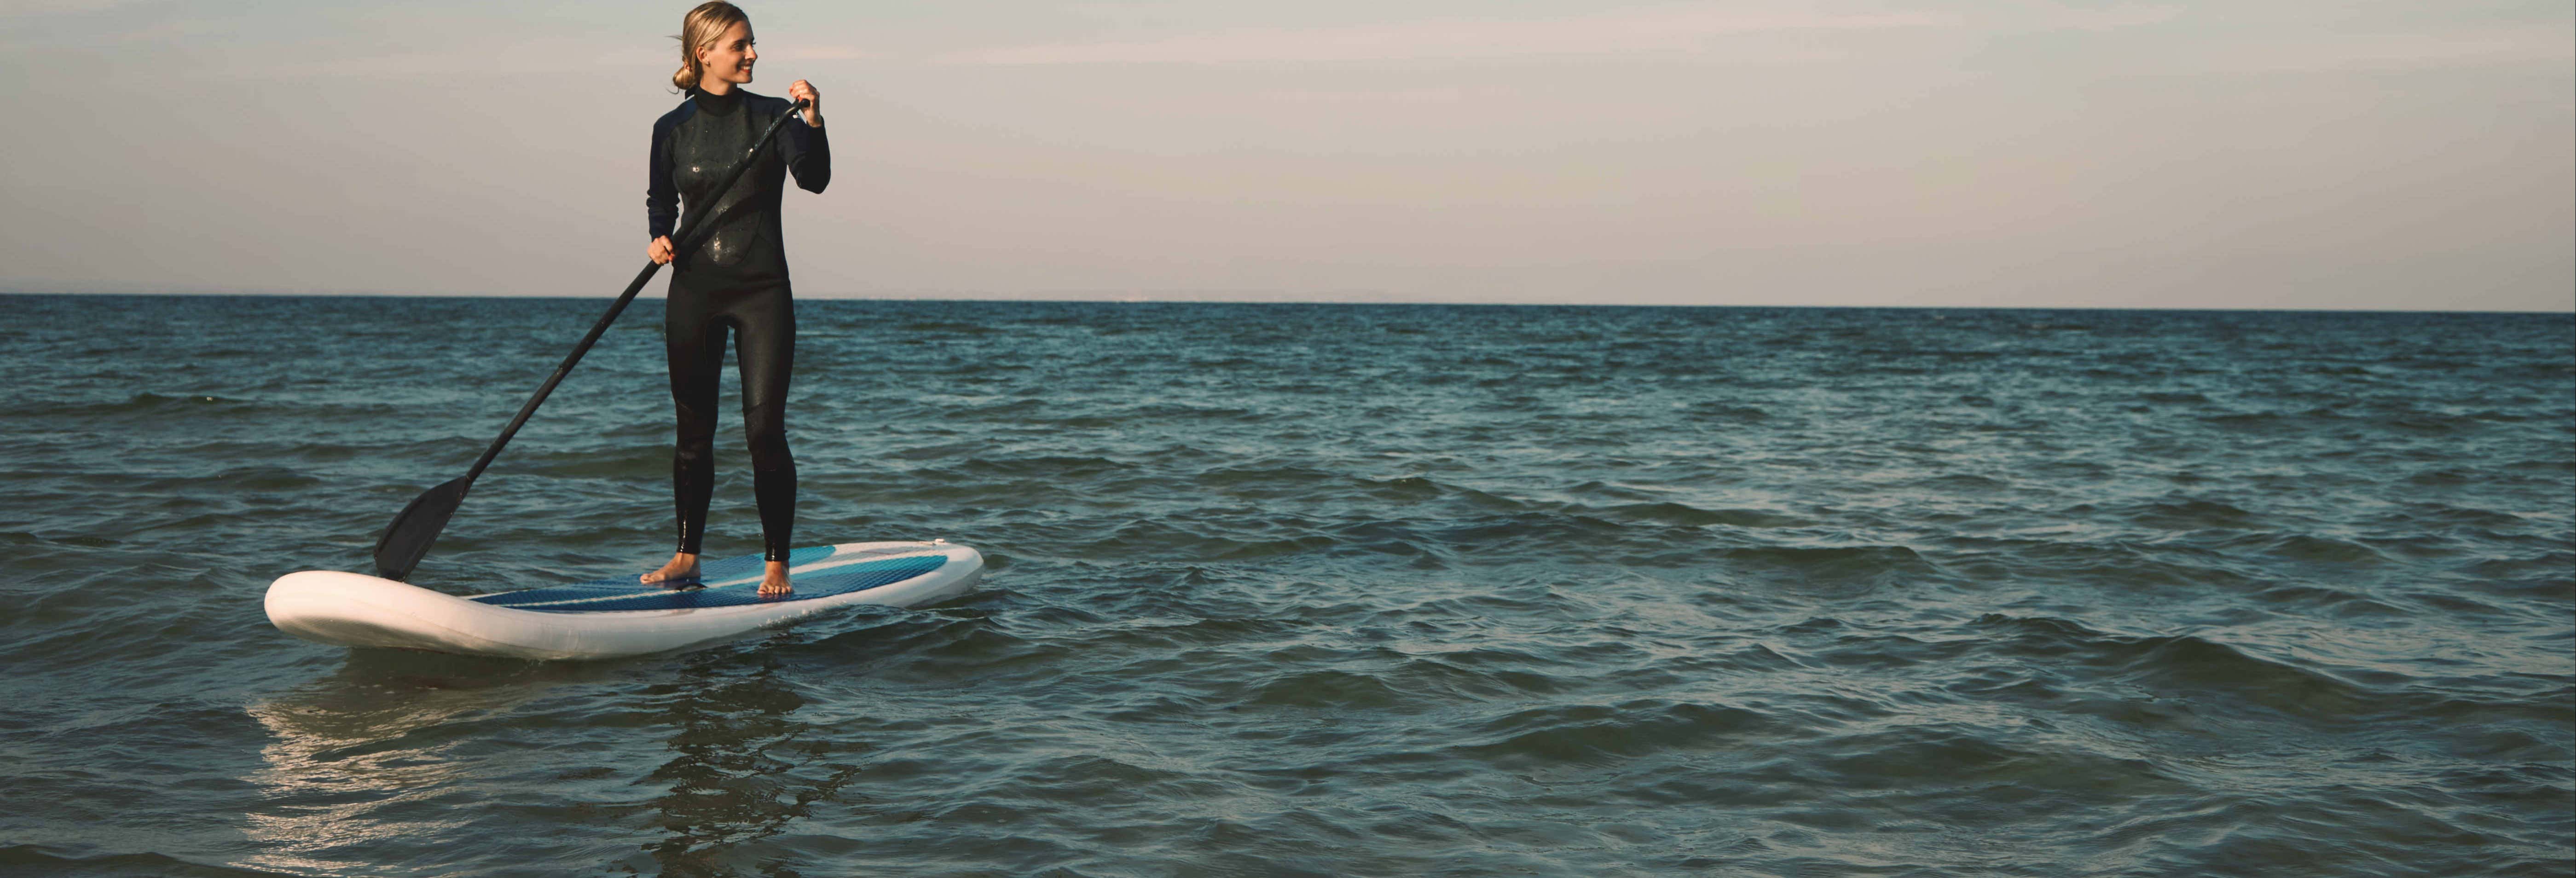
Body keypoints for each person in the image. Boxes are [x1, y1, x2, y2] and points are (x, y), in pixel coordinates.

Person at [637, 1, 829, 597]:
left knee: (764, 431)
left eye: (751, 44)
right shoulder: (671, 129)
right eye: (740, 45)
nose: (752, 54)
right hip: (694, 291)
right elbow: (659, 200)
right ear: (705, 54)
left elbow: (814, 179)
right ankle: (687, 556)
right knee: (693, 434)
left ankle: (777, 563)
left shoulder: (775, 117)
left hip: (761, 293)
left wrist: (814, 121)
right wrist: (658, 236)